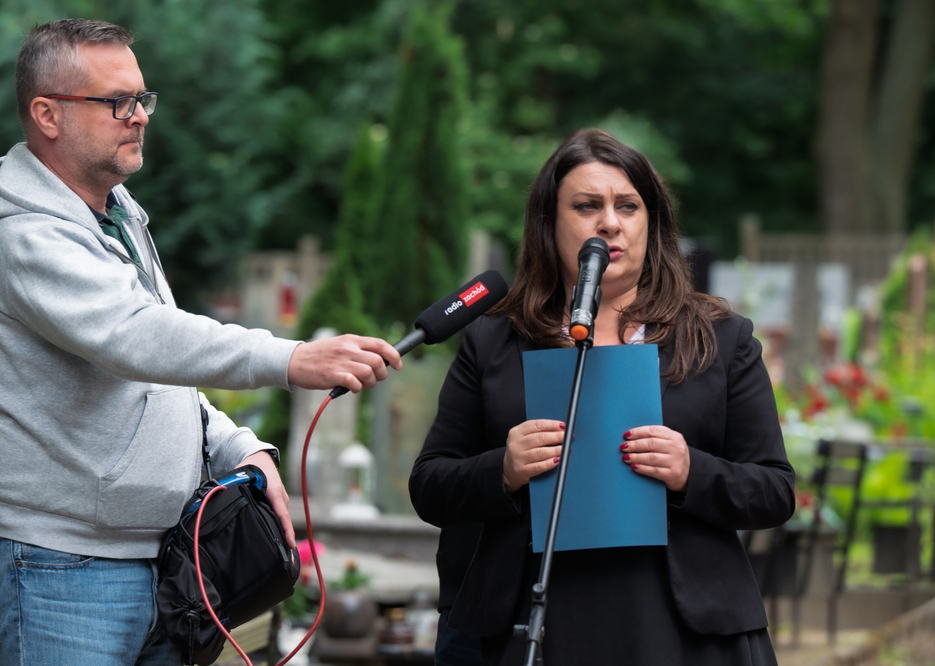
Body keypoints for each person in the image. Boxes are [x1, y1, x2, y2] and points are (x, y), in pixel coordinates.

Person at [0, 19, 401, 665]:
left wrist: (236, 444)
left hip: (151, 560)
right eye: (116, 102)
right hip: (60, 570)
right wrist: (291, 358)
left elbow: (151, 375)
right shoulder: (23, 234)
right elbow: (136, 336)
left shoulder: (116, 214)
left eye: (142, 98)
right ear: (47, 114)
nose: (139, 116)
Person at [409, 128, 795, 666]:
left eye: (628, 207)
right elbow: (430, 485)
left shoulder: (718, 337)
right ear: (549, 223)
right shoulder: (494, 341)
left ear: (652, 224)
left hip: (688, 629)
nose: (610, 223)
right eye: (587, 206)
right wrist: (504, 469)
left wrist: (692, 471)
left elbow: (775, 490)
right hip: (537, 624)